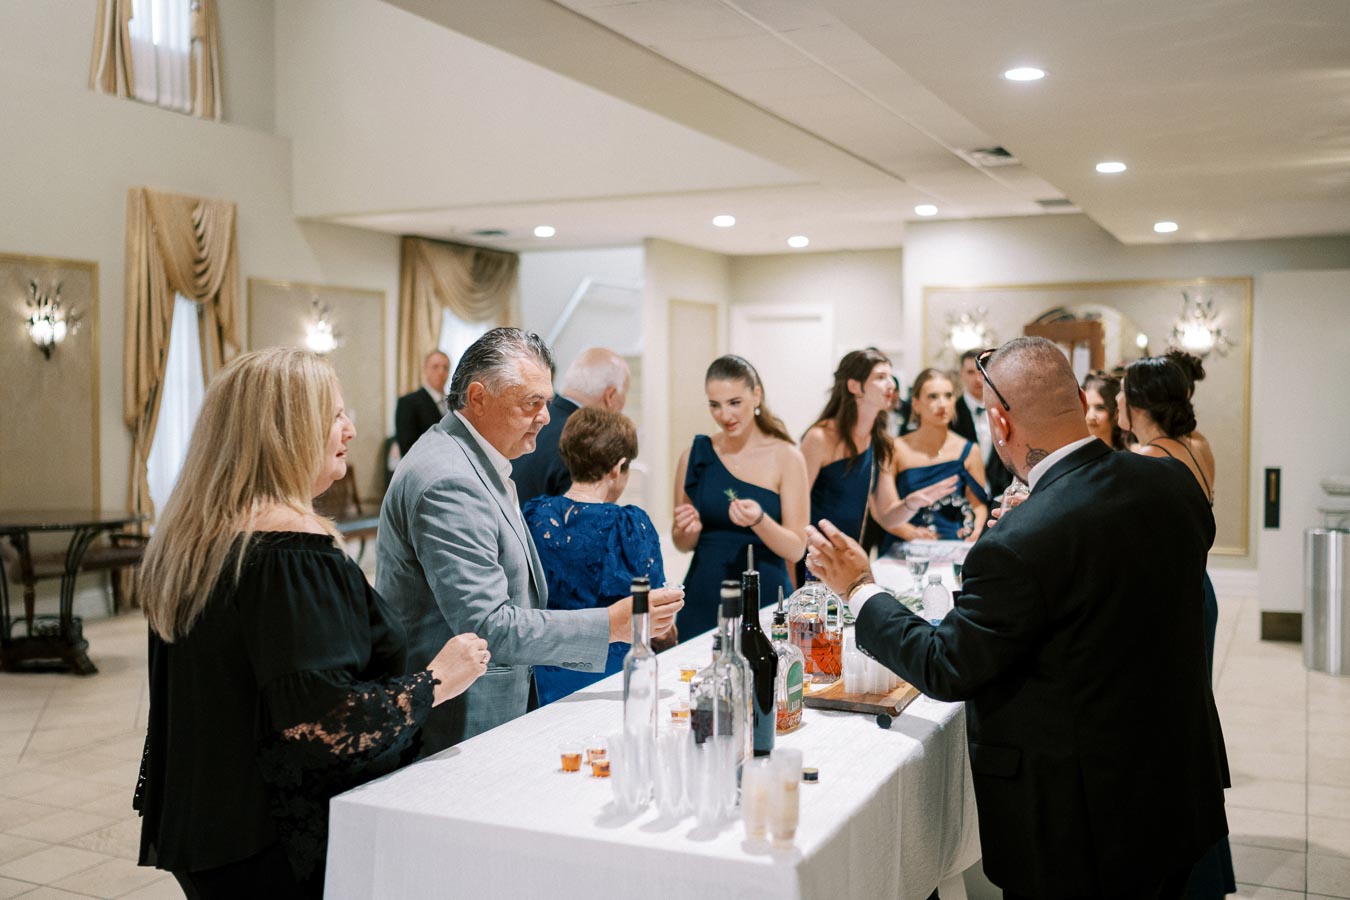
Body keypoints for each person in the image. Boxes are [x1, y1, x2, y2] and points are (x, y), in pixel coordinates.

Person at [804, 337, 1229, 899]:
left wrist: (859, 588)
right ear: (1080, 399)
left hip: (1082, 827)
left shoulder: (1018, 542)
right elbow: (1115, 583)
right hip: (1176, 790)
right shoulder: (1175, 484)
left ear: (999, 424)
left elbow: (946, 665)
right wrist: (1045, 508)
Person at [134, 348, 490, 898]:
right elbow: (326, 725)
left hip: (206, 821)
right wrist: (438, 680)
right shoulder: (291, 554)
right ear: (286, 433)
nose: (350, 428)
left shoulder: (196, 540)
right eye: (334, 416)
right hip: (276, 839)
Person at [377, 328, 681, 753]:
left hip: (497, 704)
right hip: (459, 722)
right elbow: (488, 626)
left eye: (546, 403)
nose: (544, 417)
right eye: (531, 403)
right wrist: (610, 625)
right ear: (479, 397)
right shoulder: (448, 479)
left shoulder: (480, 460)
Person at [1118, 352, 1235, 898]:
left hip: (1160, 605)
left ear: (1138, 404)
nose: (1116, 401)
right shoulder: (1199, 445)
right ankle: (1206, 866)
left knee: (1164, 726)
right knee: (1192, 712)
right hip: (1200, 594)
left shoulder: (1143, 459)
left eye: (1121, 393)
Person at [524, 408, 666, 704]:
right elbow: (654, 613)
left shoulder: (534, 514)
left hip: (543, 673)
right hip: (612, 676)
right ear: (618, 467)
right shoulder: (629, 526)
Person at [672, 355, 808, 639]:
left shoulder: (787, 457)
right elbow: (681, 543)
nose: (725, 415)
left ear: (756, 395)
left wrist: (759, 520)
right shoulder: (696, 455)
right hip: (704, 596)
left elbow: (796, 549)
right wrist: (688, 530)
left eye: (734, 403)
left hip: (764, 597)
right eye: (715, 405)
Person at [800, 349, 960, 576]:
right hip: (813, 558)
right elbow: (795, 509)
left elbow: (886, 515)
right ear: (855, 386)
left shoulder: (881, 442)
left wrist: (911, 503)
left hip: (851, 556)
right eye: (880, 377)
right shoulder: (820, 438)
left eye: (891, 377)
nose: (891, 385)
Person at [880, 368, 988, 553]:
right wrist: (911, 532)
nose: (942, 404)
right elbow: (882, 509)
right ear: (916, 403)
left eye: (948, 396)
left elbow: (977, 504)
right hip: (905, 545)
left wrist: (977, 529)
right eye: (932, 397)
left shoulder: (969, 450)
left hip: (952, 545)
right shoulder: (894, 449)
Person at [512, 347, 631, 505]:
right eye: (624, 395)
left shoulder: (531, 420)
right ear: (610, 396)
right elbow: (583, 520)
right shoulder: (589, 441)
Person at [953, 349, 1014, 500]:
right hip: (963, 495)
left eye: (982, 371)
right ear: (961, 374)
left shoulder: (1005, 409)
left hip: (1000, 493)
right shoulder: (952, 413)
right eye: (970, 372)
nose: (978, 379)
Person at [394, 350, 451, 458]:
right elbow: (407, 448)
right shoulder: (408, 402)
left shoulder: (454, 404)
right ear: (425, 370)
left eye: (445, 368)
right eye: (435, 367)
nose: (441, 372)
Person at [1083, 369, 1128, 450]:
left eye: (1100, 408)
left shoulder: (1130, 457)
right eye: (1086, 407)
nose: (1090, 416)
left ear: (1116, 413)